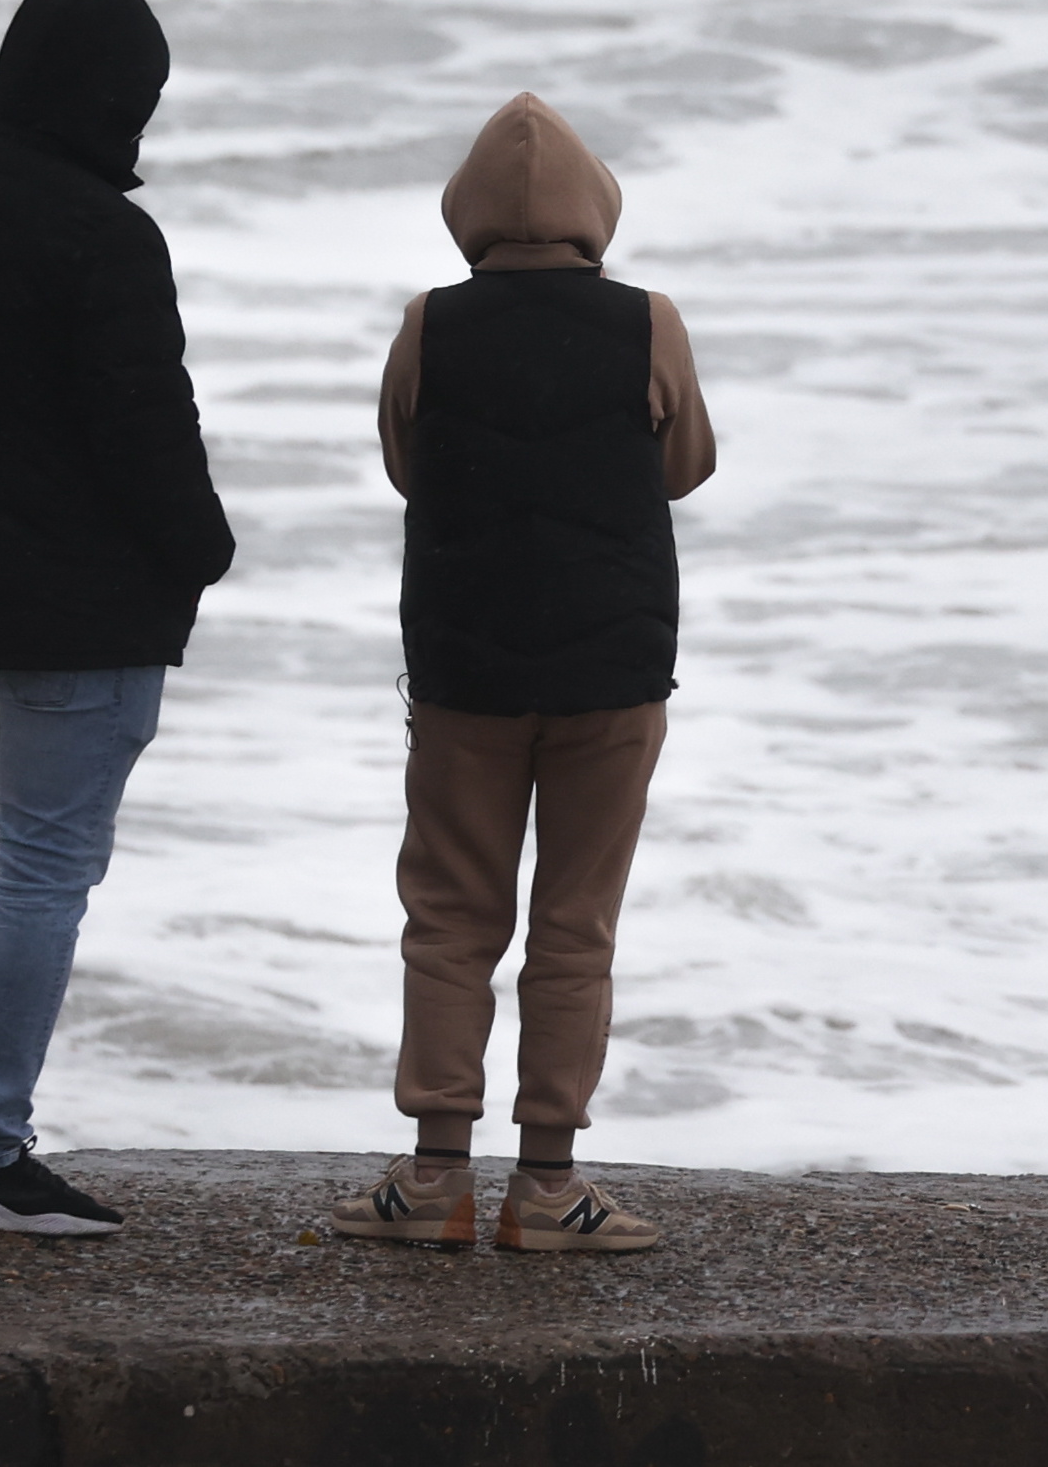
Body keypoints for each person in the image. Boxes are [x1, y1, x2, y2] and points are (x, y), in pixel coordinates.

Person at [0, 0, 236, 1240]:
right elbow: (148, 425)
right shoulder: (103, 231)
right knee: (41, 865)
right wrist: (202, 548)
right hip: (87, 608)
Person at [335, 92, 715, 1254]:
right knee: (574, 922)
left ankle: (434, 1176)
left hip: (465, 665)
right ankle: (547, 1185)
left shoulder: (428, 323)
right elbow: (685, 464)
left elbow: (406, 461)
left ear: (468, 213)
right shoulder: (646, 319)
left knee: (448, 915)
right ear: (595, 206)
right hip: (612, 669)